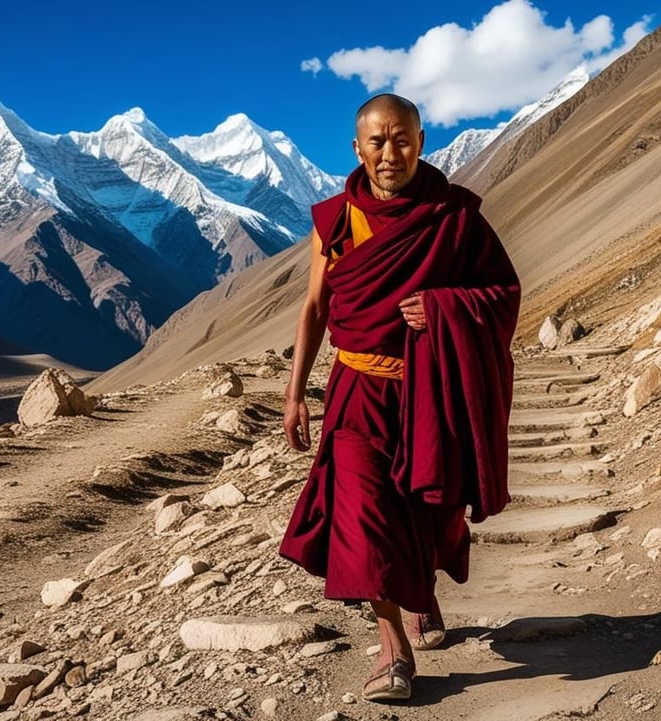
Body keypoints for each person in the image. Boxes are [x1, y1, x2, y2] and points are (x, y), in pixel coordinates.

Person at [279, 93, 520, 702]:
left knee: (431, 514)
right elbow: (315, 307)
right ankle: (394, 652)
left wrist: (443, 309)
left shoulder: (455, 216)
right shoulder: (335, 219)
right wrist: (295, 390)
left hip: (431, 392)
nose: (391, 154)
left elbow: (503, 291)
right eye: (377, 142)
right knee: (364, 518)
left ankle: (423, 593)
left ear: (421, 140)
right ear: (357, 149)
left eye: (403, 139)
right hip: (357, 389)